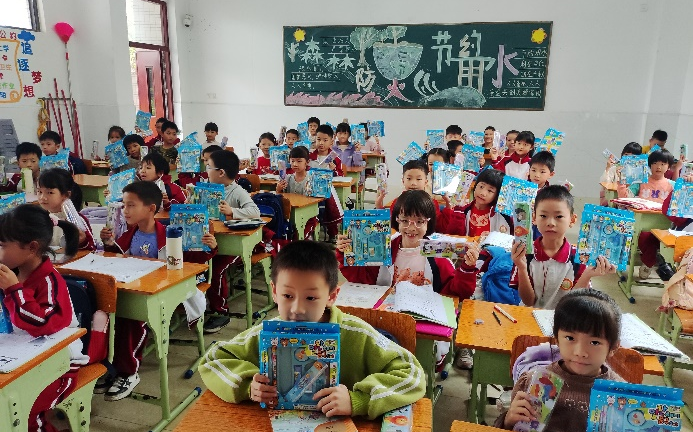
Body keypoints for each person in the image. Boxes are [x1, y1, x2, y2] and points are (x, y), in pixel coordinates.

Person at [200, 240, 426, 419]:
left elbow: (414, 375)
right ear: (274, 292)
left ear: (332, 296)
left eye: (311, 298)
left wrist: (358, 400)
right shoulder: (265, 333)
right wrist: (248, 386)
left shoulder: (356, 333)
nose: (297, 309)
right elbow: (212, 360)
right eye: (287, 295)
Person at [98, 182, 216, 398]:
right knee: (104, 310)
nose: (125, 211)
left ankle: (128, 372)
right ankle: (110, 365)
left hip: (168, 290)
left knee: (131, 318)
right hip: (137, 288)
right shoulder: (130, 233)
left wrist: (210, 246)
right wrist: (109, 243)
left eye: (131, 205)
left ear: (151, 208)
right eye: (124, 205)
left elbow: (192, 261)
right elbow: (120, 256)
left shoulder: (170, 233)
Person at [337, 190, 478, 369]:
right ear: (396, 220)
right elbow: (362, 278)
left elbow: (457, 292)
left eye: (419, 222)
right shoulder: (384, 248)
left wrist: (467, 268)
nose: (411, 228)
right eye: (404, 221)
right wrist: (345, 252)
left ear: (429, 222)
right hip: (385, 319)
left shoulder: (438, 256)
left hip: (421, 323)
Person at [0, 204, 89, 432]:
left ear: (32, 247)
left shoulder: (50, 281)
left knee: (24, 411)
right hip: (20, 355)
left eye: (2, 245)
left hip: (60, 365)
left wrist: (14, 290)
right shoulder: (12, 271)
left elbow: (42, 324)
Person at [495, 289, 623, 432]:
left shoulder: (621, 395)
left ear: (613, 347)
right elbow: (513, 426)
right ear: (557, 339)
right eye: (570, 338)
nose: (580, 352)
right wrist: (507, 422)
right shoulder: (533, 383)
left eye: (594, 342)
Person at [509, 186, 615, 308]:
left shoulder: (579, 257)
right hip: (529, 316)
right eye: (543, 216)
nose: (550, 223)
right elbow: (528, 301)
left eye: (559, 217)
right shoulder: (525, 253)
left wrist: (587, 274)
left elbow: (573, 304)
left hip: (564, 317)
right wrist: (521, 268)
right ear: (534, 218)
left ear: (572, 220)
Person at [203, 150, 262, 333]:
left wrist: (232, 212)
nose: (206, 170)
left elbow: (255, 212)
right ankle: (198, 307)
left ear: (221, 172)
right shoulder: (207, 188)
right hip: (210, 242)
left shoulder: (237, 191)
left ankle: (220, 311)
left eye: (209, 167)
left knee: (216, 270)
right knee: (198, 266)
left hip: (233, 246)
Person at [438, 168, 512, 237]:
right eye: (481, 187)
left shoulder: (501, 215)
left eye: (490, 190)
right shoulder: (464, 210)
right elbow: (454, 236)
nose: (482, 193)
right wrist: (458, 210)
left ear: (497, 195)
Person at [37, 168, 95, 251]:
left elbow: (92, 248)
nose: (42, 197)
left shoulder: (78, 220)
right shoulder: (37, 218)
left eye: (50, 192)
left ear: (66, 195)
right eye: (39, 192)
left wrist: (82, 241)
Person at [276, 146, 320, 239]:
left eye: (299, 161)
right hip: (290, 213)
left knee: (299, 237)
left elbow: (314, 198)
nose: (295, 164)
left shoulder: (311, 179)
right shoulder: (288, 178)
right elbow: (279, 196)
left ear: (307, 162)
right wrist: (279, 189)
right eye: (292, 161)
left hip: (308, 215)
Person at [600, 142, 642, 206]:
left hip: (626, 207)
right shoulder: (615, 168)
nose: (628, 158)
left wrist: (621, 179)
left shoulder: (638, 175)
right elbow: (604, 183)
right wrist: (608, 167)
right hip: (609, 205)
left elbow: (628, 197)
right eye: (626, 155)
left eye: (633, 157)